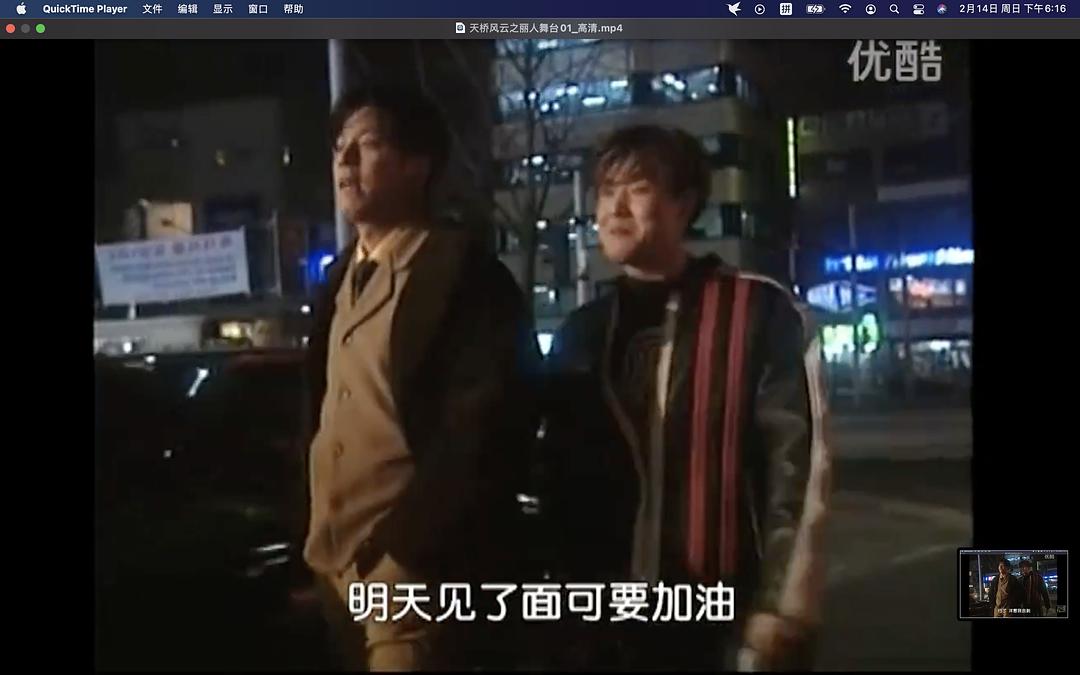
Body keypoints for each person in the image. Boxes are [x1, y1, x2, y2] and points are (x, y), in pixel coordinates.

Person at [540, 125, 832, 671]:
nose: (615, 209)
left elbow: (798, 465)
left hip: (720, 615)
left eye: (638, 189)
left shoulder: (755, 311)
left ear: (684, 204)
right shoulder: (582, 333)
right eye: (606, 191)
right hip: (601, 621)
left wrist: (783, 606)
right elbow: (554, 477)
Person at [303, 83, 540, 671]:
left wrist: (405, 554)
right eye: (338, 147)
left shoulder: (463, 273)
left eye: (368, 144)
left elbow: (484, 430)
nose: (345, 162)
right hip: (333, 567)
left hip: (415, 574)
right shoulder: (338, 278)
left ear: (417, 164)